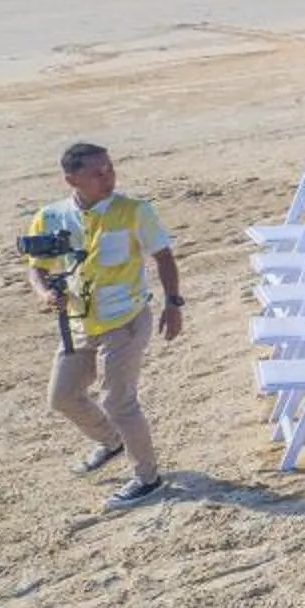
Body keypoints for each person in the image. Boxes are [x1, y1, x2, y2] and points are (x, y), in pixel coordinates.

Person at [27, 141, 182, 509]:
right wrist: (44, 294)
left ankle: (148, 478)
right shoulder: (50, 217)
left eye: (110, 169)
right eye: (98, 173)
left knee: (118, 401)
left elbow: (164, 256)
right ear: (72, 179)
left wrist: (173, 303)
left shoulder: (134, 211)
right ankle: (112, 442)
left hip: (126, 320)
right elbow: (37, 267)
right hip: (79, 322)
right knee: (63, 396)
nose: (108, 177)